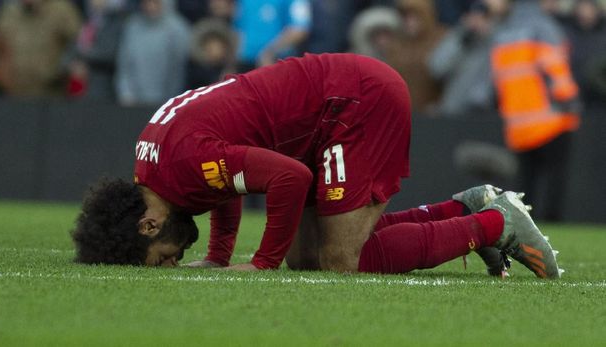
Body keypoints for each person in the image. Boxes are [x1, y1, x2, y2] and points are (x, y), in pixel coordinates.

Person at [71, 53, 561, 279]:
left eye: (161, 256)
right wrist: (219, 254)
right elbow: (227, 179)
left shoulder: (180, 167)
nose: (173, 261)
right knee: (307, 259)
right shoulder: (154, 166)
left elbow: (289, 178)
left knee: (341, 261)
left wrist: (260, 262)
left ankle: (495, 223)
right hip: (322, 115)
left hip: (352, 105)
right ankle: (461, 209)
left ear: (148, 223)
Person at [487, 0, 581, 222]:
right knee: (554, 176)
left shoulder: (502, 33)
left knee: (526, 182)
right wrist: (570, 101)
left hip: (517, 123)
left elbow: (495, 82)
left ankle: (524, 225)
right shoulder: (544, 27)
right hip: (551, 118)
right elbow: (555, 68)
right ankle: (552, 222)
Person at [0, 0, 82, 97]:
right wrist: (3, 80)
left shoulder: (61, 11)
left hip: (52, 95)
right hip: (14, 95)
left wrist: (71, 71)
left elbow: (79, 46)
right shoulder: (9, 13)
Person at [428, 0, 497, 118]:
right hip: (452, 113)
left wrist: (488, 38)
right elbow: (435, 68)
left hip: (485, 117)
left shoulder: (497, 43)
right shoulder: (458, 38)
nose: (477, 21)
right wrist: (462, 38)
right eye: (473, 16)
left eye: (483, 17)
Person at [115, 0, 190, 106]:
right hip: (133, 102)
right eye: (146, 2)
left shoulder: (178, 29)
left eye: (155, 2)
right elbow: (125, 63)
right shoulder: (132, 26)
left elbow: (178, 72)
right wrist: (125, 93)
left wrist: (172, 102)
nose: (150, 6)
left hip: (167, 104)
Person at [385, 0, 446, 113]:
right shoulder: (397, 43)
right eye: (406, 18)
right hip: (401, 112)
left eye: (415, 17)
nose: (410, 22)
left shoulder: (442, 39)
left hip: (434, 113)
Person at [232, 0, 311, 72]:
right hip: (244, 63)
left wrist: (270, 52)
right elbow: (238, 29)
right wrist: (231, 64)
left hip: (276, 63)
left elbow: (299, 30)